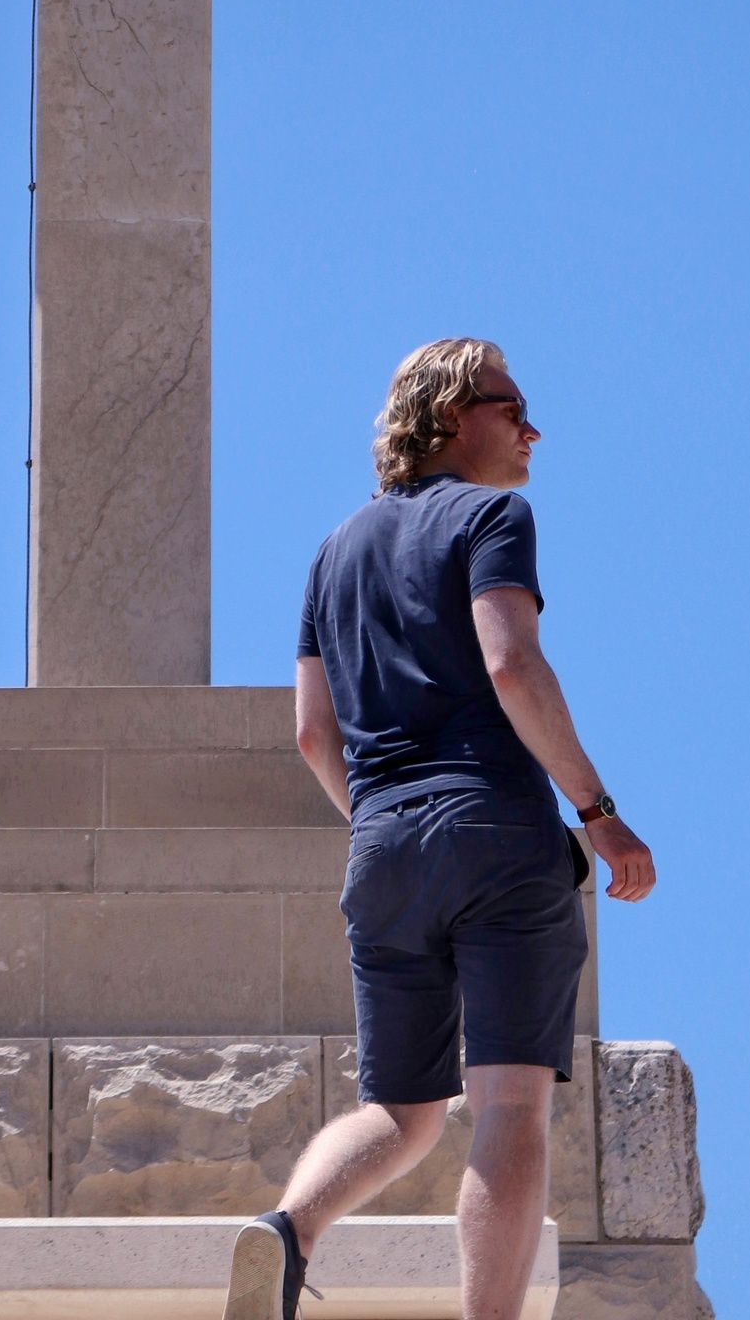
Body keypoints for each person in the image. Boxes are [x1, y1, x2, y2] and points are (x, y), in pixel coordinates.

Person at [220, 339, 656, 1320]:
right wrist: (597, 813)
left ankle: (285, 1228)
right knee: (506, 1101)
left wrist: (385, 818)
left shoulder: (332, 553)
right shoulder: (493, 513)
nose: (531, 428)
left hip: (378, 844)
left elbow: (308, 730)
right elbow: (511, 664)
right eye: (514, 407)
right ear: (456, 412)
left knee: (401, 1110)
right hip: (495, 827)